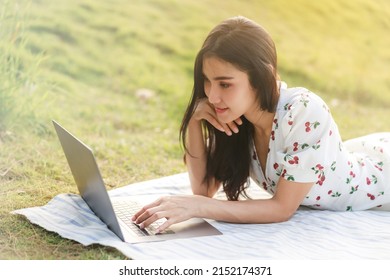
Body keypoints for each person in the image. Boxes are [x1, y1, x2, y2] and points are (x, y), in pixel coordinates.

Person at [132, 16, 390, 233]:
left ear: (261, 77)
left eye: (225, 83)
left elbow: (281, 208)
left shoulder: (303, 111)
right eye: (207, 81)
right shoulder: (237, 119)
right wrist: (193, 122)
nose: (211, 96)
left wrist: (195, 207)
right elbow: (203, 189)